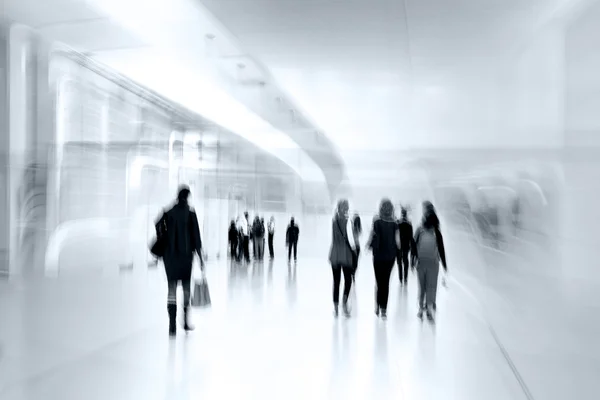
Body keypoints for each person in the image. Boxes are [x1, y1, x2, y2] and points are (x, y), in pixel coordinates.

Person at [158, 185, 204, 336]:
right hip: (185, 257)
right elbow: (196, 237)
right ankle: (184, 322)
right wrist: (201, 258)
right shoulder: (190, 213)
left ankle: (172, 324)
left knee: (171, 289)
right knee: (185, 289)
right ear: (188, 196)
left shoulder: (168, 212)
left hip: (170, 257)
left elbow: (158, 228)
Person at [413, 201, 447, 321]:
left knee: (421, 286)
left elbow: (413, 245)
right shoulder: (437, 232)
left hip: (421, 262)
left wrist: (413, 260)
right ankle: (430, 308)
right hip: (433, 263)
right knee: (431, 286)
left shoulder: (419, 229)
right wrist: (445, 266)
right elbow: (441, 250)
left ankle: (420, 309)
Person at [368, 198, 400, 320]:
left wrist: (368, 245)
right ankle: (384, 310)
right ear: (392, 209)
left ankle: (377, 305)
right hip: (390, 257)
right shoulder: (395, 224)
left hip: (378, 256)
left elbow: (372, 235)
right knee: (385, 282)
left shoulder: (376, 222)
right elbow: (398, 242)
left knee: (379, 281)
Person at [329, 200, 357, 317]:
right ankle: (344, 303)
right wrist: (355, 250)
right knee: (348, 280)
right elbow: (351, 240)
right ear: (346, 209)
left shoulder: (334, 221)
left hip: (335, 253)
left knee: (336, 281)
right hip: (345, 254)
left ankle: (335, 307)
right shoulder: (348, 222)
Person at [397, 208, 415, 285]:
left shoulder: (398, 223)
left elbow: (395, 235)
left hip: (399, 246)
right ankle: (405, 278)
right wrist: (411, 245)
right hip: (406, 245)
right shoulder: (409, 224)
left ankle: (401, 278)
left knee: (399, 262)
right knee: (405, 260)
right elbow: (411, 236)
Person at [351, 212, 362, 281]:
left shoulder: (351, 227)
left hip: (352, 247)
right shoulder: (359, 228)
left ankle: (351, 274)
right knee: (355, 263)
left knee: (351, 262)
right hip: (357, 247)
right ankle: (353, 274)